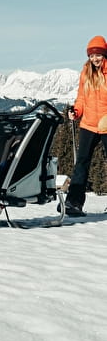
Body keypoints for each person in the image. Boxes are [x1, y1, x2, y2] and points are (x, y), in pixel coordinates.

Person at [66, 35, 107, 216]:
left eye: (98, 55)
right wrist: (76, 111)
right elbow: (82, 97)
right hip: (89, 124)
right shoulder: (86, 72)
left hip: (106, 123)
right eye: (91, 56)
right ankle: (73, 203)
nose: (95, 59)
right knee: (81, 163)